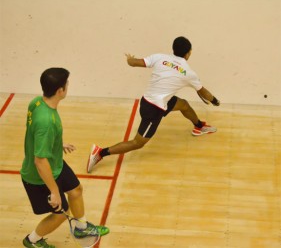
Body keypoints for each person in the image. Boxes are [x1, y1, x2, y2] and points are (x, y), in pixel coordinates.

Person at [87, 36, 220, 173]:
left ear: (173, 49)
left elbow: (133, 63)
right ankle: (100, 153)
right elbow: (205, 93)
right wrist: (215, 101)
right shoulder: (189, 73)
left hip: (151, 101)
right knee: (138, 143)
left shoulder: (159, 57)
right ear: (188, 53)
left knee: (183, 104)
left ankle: (199, 126)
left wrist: (129, 59)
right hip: (153, 110)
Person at [20, 68, 109, 248]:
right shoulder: (46, 122)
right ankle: (32, 240)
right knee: (61, 213)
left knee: (76, 190)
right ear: (60, 91)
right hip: (40, 176)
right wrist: (54, 191)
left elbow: (35, 134)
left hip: (55, 163)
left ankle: (81, 227)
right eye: (66, 84)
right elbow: (39, 160)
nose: (68, 86)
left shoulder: (37, 102)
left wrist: (56, 144)